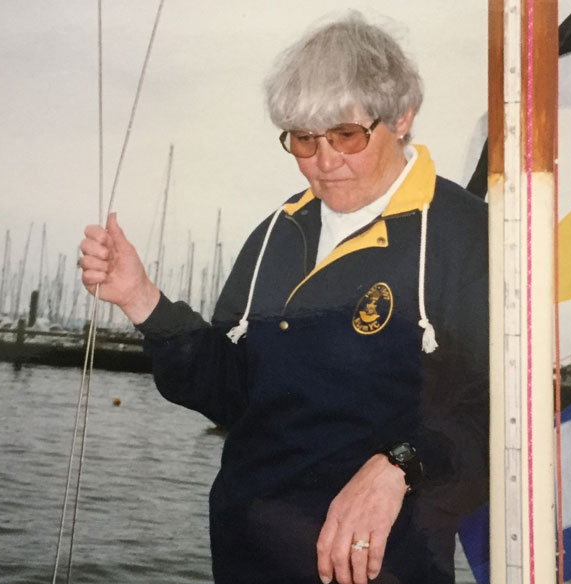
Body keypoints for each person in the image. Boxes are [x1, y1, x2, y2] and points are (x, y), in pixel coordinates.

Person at [80, 13, 488, 584]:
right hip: (248, 558)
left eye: (346, 136)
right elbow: (231, 392)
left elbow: (498, 418)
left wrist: (400, 465)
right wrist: (143, 300)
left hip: (381, 566)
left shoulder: (469, 235)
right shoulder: (278, 232)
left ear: (401, 117)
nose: (324, 161)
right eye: (303, 139)